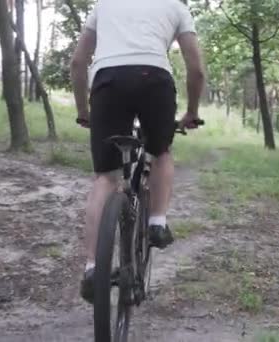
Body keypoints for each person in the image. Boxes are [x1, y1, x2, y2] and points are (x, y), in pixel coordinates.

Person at [69, 0, 205, 304]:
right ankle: (157, 222)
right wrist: (192, 112)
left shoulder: (104, 5)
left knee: (105, 178)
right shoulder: (176, 7)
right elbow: (196, 70)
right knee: (162, 152)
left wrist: (83, 111)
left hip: (107, 82)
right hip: (154, 80)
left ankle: (92, 268)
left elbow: (79, 62)